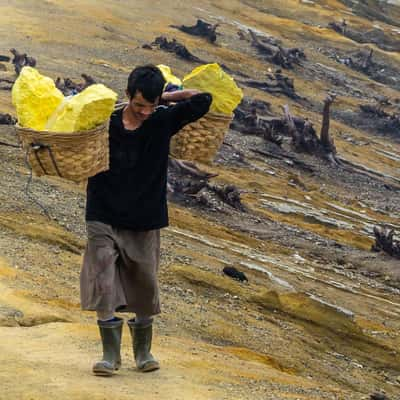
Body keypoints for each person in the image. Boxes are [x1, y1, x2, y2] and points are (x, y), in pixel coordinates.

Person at [80, 64, 212, 376]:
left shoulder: (163, 119)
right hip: (102, 210)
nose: (144, 112)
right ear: (128, 95)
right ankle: (109, 356)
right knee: (102, 277)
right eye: (139, 105)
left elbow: (203, 99)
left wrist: (166, 98)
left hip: (145, 214)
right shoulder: (106, 121)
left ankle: (143, 352)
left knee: (143, 281)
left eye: (150, 106)